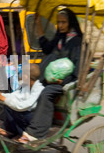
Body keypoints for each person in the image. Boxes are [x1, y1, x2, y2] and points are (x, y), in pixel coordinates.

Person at [18, 8, 83, 144]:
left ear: (70, 23)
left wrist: (62, 81)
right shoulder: (60, 37)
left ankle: (36, 132)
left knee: (45, 93)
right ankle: (18, 124)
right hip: (50, 78)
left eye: (64, 22)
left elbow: (77, 70)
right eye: (59, 22)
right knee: (27, 87)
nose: (60, 25)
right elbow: (46, 47)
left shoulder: (77, 42)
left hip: (66, 82)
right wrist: (38, 24)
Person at [0, 63, 44, 138]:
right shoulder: (26, 86)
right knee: (8, 105)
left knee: (13, 107)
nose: (20, 76)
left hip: (31, 117)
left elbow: (24, 106)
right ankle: (10, 130)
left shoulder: (39, 89)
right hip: (24, 114)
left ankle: (21, 133)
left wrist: (3, 98)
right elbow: (14, 96)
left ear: (26, 76)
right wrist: (0, 95)